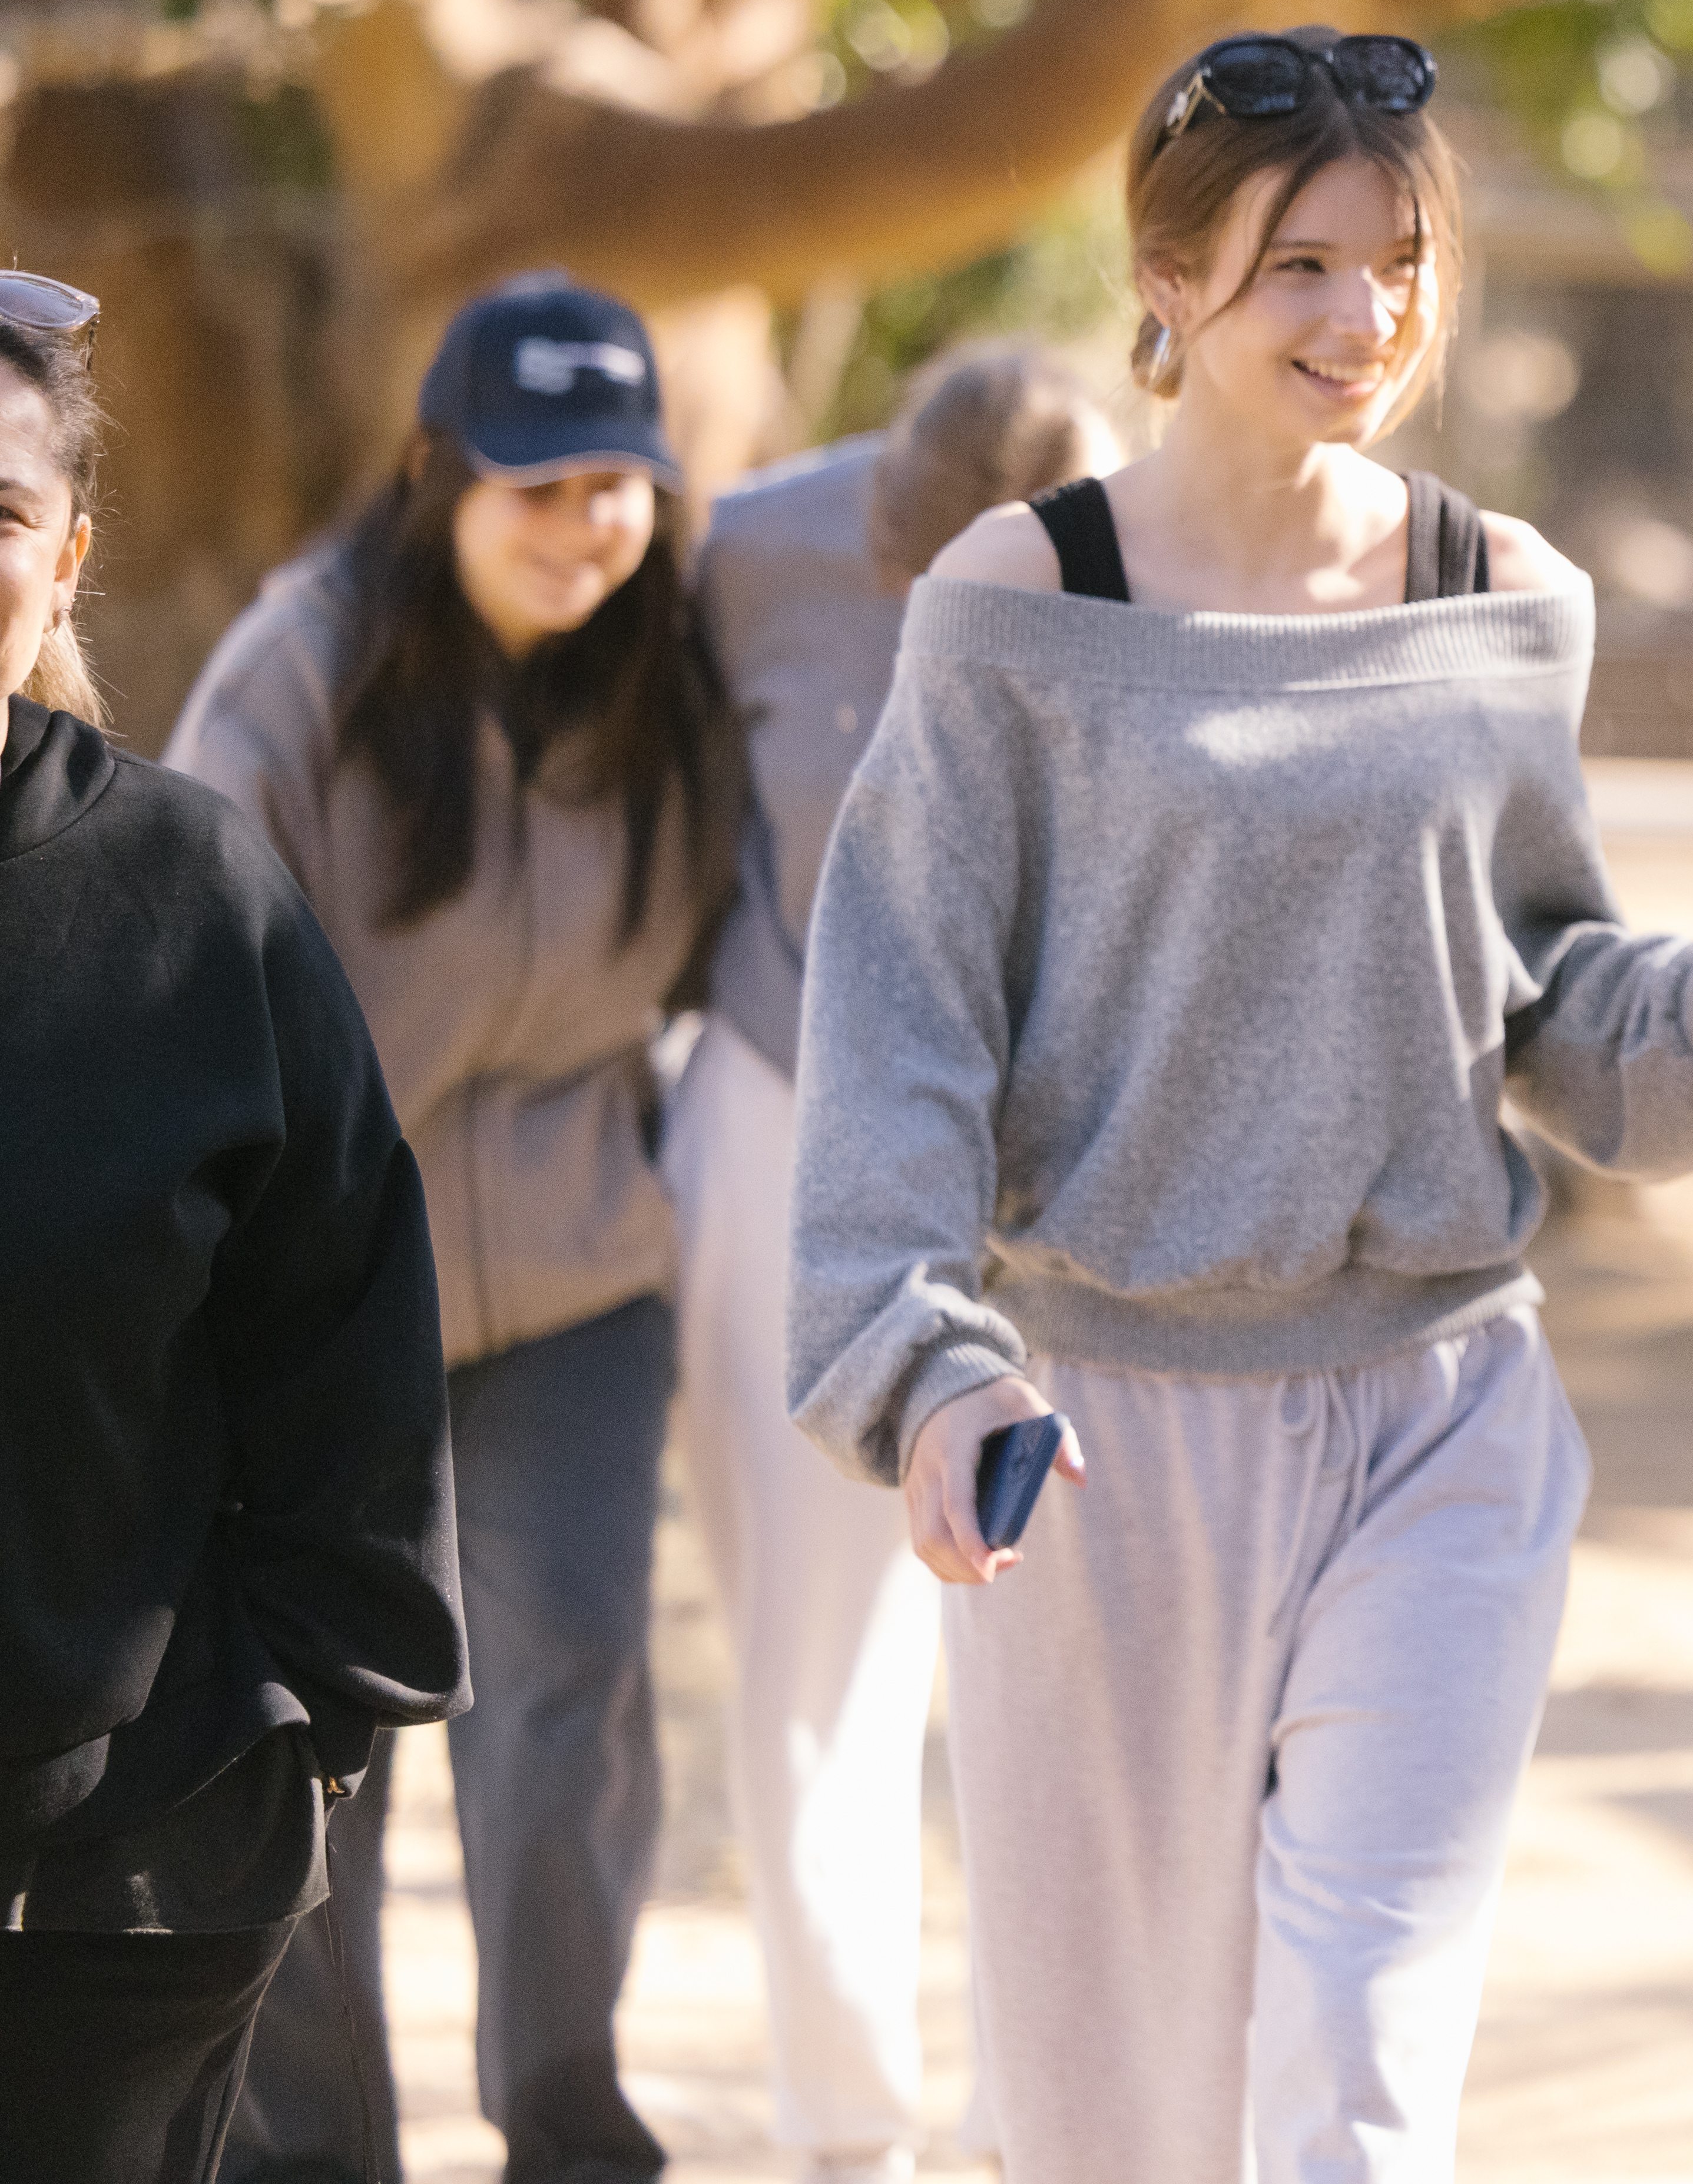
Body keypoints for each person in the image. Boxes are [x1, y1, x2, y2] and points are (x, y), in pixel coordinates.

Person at [787, 27, 1693, 2184]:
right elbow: (900, 1032)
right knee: (1114, 2121)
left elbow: (1544, 1000)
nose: (1361, 322)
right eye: (1299, 268)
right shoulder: (1021, 605)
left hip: (1440, 1411)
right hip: (1100, 1438)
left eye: (1397, 266)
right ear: (1166, 285)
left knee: (1357, 2067)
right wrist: (922, 1373)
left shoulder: (1499, 594)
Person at [170, 271, 737, 2184]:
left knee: (567, 1699)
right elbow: (192, 1000)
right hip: (326, 1300)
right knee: (319, 1740)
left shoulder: (669, 667)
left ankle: (571, 2126)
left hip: (579, 1283)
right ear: (435, 476)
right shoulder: (299, 670)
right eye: (539, 484)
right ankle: (315, 2154)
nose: (587, 525)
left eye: (620, 482)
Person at [0, 272, 465, 2184]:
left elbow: (346, 1326)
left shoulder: (197, 899)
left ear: (66, 561)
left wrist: (315, 1727)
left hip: (127, 1888)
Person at [675, 343, 1115, 2182]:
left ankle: (1044, 2128)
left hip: (1069, 1158)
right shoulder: (749, 554)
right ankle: (848, 2140)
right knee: (810, 1678)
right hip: (785, 1100)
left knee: (1065, 1676)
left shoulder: (1161, 566)